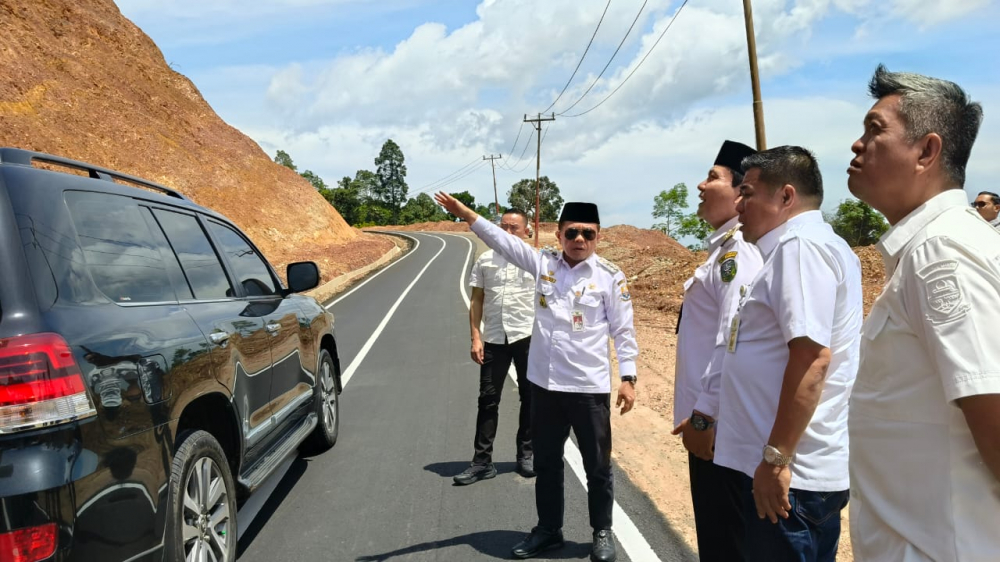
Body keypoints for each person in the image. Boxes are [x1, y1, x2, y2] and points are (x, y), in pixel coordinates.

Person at [433, 192, 638, 562]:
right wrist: (464, 212)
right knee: (546, 463)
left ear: (598, 237)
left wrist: (628, 376)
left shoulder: (610, 277)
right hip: (545, 386)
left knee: (598, 466)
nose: (579, 240)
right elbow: (502, 240)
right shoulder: (543, 264)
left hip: (589, 389)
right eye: (572, 232)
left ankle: (601, 532)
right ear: (558, 234)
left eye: (588, 234)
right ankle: (548, 530)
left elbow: (623, 331)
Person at [847, 65, 999, 561]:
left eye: (874, 130)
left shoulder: (942, 255)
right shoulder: (930, 249)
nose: (856, 144)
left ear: (927, 152)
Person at [714, 146, 862, 561]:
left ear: (785, 197)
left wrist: (776, 460)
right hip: (798, 475)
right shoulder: (813, 245)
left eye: (748, 193)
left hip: (790, 480)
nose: (738, 204)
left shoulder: (800, 248)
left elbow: (812, 359)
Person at [669, 140, 762, 561]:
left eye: (712, 177)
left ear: (742, 192)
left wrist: (705, 417)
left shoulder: (737, 254)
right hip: (712, 426)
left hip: (718, 430)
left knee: (726, 542)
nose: (701, 185)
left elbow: (733, 339)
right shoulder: (721, 251)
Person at [453, 209, 537, 485]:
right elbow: (476, 300)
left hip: (528, 338)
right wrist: (475, 337)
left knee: (531, 398)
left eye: (514, 228)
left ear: (527, 230)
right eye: (503, 227)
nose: (507, 232)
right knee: (487, 400)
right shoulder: (485, 260)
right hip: (494, 339)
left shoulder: (535, 261)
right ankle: (481, 462)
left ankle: (526, 454)